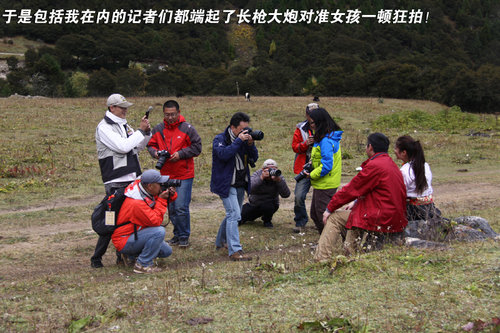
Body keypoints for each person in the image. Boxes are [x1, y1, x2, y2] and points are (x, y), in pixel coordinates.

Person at [314, 133, 408, 262]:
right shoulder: (390, 164)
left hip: (380, 216)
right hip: (393, 216)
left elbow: (351, 189)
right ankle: (350, 255)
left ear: (370, 147)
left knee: (335, 218)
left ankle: (321, 258)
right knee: (354, 215)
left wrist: (329, 208)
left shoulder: (375, 165)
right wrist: (357, 201)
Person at [91, 93, 151, 268]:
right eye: (121, 107)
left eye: (125, 107)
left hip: (132, 178)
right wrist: (139, 132)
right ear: (111, 108)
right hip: (115, 180)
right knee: (111, 220)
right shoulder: (104, 127)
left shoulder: (124, 125)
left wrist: (146, 133)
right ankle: (97, 258)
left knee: (130, 218)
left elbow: (138, 146)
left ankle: (124, 255)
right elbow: (123, 147)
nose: (125, 110)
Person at [147, 100, 202, 248]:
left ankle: (184, 236)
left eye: (172, 114)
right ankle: (177, 235)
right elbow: (150, 145)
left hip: (184, 174)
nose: (170, 117)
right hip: (165, 175)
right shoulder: (158, 129)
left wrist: (181, 154)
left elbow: (197, 147)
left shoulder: (188, 128)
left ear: (178, 112)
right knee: (171, 207)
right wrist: (156, 153)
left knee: (181, 207)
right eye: (167, 114)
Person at [210, 112, 258, 261]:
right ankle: (235, 251)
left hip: (240, 182)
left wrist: (250, 144)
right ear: (233, 127)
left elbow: (254, 158)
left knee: (233, 214)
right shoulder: (220, 139)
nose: (245, 132)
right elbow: (224, 154)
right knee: (234, 215)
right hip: (226, 184)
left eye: (247, 129)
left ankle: (221, 242)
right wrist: (238, 141)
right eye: (242, 129)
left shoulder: (243, 139)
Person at [112, 169, 176, 274]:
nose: (162, 185)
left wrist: (170, 195)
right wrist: (162, 200)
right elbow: (156, 221)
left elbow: (158, 199)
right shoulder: (137, 203)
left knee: (166, 251)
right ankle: (142, 264)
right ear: (150, 186)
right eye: (159, 183)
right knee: (159, 231)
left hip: (135, 234)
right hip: (124, 239)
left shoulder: (143, 189)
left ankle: (132, 256)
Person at [304, 108, 343, 234]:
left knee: (323, 216)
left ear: (320, 123)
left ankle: (337, 239)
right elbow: (321, 158)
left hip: (326, 183)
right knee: (315, 214)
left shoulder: (326, 140)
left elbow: (327, 166)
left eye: (312, 123)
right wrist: (311, 163)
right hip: (322, 182)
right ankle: (325, 240)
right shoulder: (323, 137)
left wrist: (311, 175)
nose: (310, 126)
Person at [394, 135, 441, 221]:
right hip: (428, 207)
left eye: (396, 148)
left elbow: (399, 192)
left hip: (413, 210)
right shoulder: (425, 165)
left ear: (404, 152)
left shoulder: (405, 171)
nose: (394, 151)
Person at [240, 159, 291, 228]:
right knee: (240, 216)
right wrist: (261, 178)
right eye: (269, 169)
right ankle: (249, 217)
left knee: (268, 206)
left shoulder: (278, 176)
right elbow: (250, 190)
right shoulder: (257, 174)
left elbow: (286, 195)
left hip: (271, 204)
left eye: (273, 169)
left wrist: (279, 181)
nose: (271, 171)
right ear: (263, 169)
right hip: (255, 204)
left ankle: (267, 221)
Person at [291, 103, 318, 233]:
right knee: (298, 196)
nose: (313, 117)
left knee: (321, 197)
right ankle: (300, 221)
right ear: (306, 114)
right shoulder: (300, 128)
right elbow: (294, 147)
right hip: (304, 166)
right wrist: (305, 144)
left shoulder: (327, 128)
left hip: (320, 167)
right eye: (310, 114)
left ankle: (322, 221)